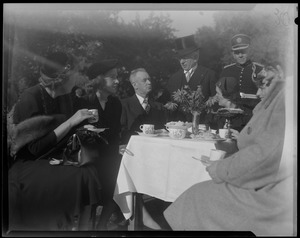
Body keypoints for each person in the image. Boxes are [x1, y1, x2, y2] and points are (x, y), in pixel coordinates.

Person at [163, 65, 294, 236]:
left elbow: (265, 154)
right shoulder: (280, 98)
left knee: (197, 195)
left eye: (263, 86)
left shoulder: (286, 99)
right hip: (265, 181)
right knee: (196, 193)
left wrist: (220, 168)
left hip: (272, 193)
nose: (258, 94)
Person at [8, 51, 104, 231]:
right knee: (80, 176)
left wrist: (83, 126)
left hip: (55, 156)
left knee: (89, 171)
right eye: (75, 73)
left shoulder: (65, 97)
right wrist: (71, 122)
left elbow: (65, 132)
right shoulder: (31, 97)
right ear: (63, 77)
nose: (78, 78)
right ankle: (66, 227)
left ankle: (80, 229)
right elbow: (33, 149)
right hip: (29, 163)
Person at [75, 59, 125, 230]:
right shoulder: (83, 102)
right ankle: (86, 225)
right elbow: (78, 135)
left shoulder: (115, 104)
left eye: (117, 77)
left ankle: (102, 225)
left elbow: (115, 134)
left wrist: (118, 148)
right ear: (99, 80)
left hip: (109, 155)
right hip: (89, 156)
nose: (117, 81)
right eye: (112, 77)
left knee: (122, 173)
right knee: (94, 175)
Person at [165, 34, 218, 123]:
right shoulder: (174, 78)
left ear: (195, 57)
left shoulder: (209, 75)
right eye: (180, 58)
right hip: (179, 129)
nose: (182, 62)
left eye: (185, 58)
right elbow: (168, 104)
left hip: (202, 127)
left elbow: (215, 104)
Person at [219, 33, 264, 118]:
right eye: (237, 53)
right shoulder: (226, 71)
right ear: (233, 54)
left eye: (243, 52)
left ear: (250, 51)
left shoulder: (259, 70)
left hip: (253, 116)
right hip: (231, 117)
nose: (240, 55)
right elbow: (221, 95)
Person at [120, 68, 167, 144]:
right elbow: (120, 132)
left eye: (149, 79)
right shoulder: (124, 105)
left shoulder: (159, 107)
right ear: (135, 85)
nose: (149, 82)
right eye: (144, 80)